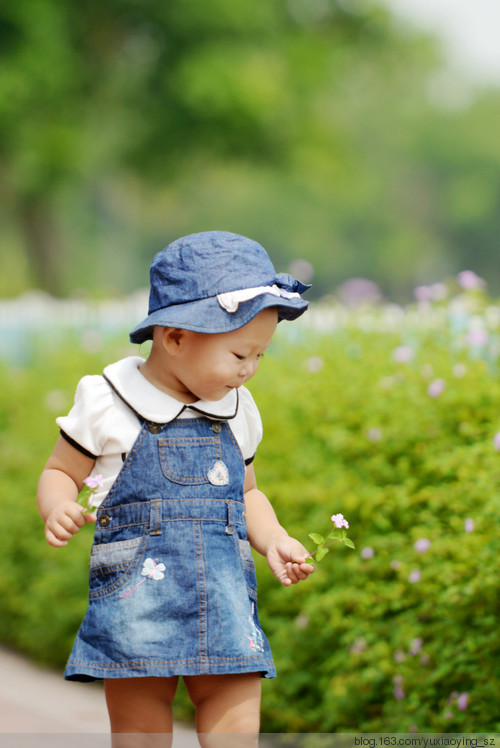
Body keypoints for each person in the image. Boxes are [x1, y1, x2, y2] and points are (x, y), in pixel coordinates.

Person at [37, 231, 315, 747]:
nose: (249, 369)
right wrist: (56, 505)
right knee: (141, 723)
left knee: (234, 706)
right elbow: (60, 471)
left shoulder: (239, 410)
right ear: (175, 337)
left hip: (225, 597)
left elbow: (248, 493)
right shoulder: (109, 400)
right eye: (238, 354)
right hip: (137, 599)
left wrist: (273, 536)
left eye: (260, 356)